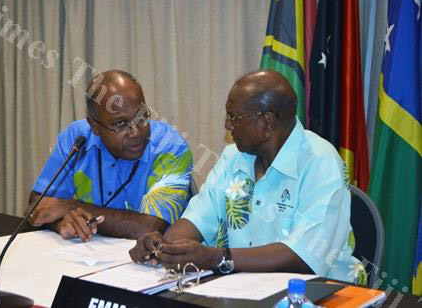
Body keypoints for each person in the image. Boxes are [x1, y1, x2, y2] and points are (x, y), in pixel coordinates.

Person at [130, 70, 365, 283]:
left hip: (322, 292)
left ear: (267, 123)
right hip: (244, 288)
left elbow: (305, 255)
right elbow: (200, 217)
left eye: (234, 117)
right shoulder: (234, 157)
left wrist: (217, 258)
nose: (227, 125)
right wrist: (164, 245)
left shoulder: (321, 161)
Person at [27, 70, 193, 241]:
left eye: (141, 117)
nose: (135, 132)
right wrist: (63, 223)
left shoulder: (171, 148)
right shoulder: (77, 139)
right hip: (89, 256)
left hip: (154, 262)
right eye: (120, 124)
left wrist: (70, 207)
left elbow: (148, 227)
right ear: (95, 126)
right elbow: (38, 205)